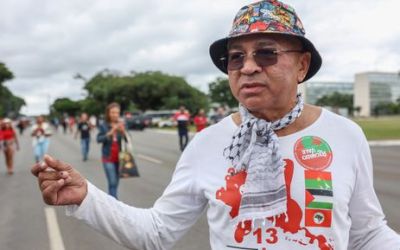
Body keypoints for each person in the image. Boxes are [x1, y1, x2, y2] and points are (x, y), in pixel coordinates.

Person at [31, 1, 400, 249]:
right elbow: (157, 232)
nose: (248, 66)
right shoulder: (208, 143)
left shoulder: (344, 135)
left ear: (302, 65)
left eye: (266, 53)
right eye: (235, 57)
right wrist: (87, 197)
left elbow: (366, 233)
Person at [96, 103, 127, 199]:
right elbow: (99, 139)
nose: (115, 115)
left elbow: (128, 139)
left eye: (117, 112)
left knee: (115, 183)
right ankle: (115, 206)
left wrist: (123, 132)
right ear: (108, 113)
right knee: (112, 182)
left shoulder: (122, 124)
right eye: (113, 112)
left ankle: (110, 203)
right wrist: (110, 132)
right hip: (108, 157)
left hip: (120, 158)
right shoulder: (103, 125)